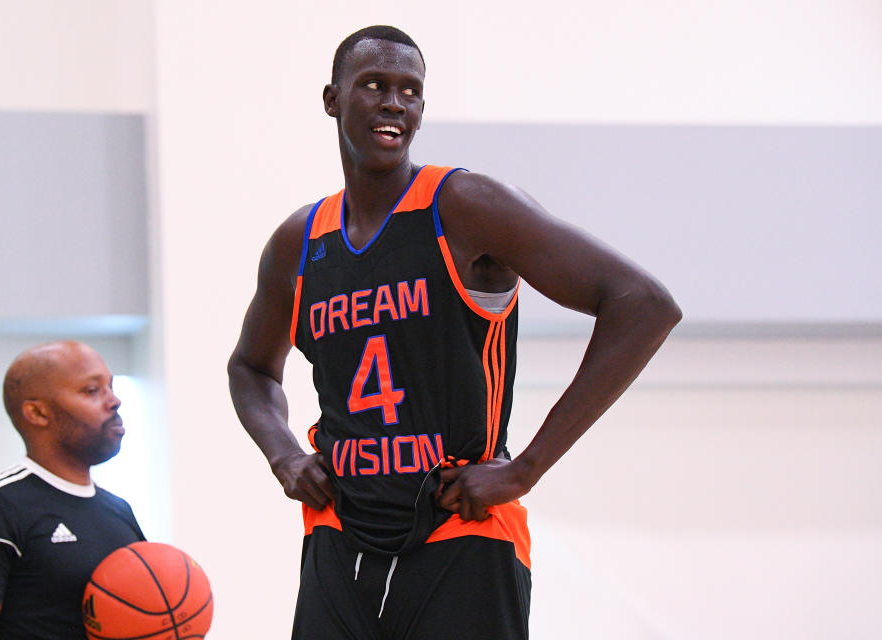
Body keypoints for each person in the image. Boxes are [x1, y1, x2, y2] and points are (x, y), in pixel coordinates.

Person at [227, 25, 682, 639]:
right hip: (340, 533)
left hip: (459, 529)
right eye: (374, 85)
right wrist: (283, 453)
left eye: (410, 91)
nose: (395, 102)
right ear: (333, 100)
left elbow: (643, 303)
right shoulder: (301, 241)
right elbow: (251, 369)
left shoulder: (463, 204)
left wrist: (525, 469)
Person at [0, 340, 145, 639]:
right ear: (38, 413)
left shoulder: (119, 511)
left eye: (110, 387)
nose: (114, 401)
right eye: (91, 390)